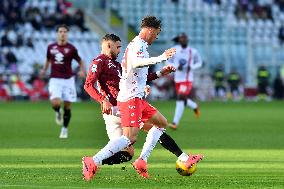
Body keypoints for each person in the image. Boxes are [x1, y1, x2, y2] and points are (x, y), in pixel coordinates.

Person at [82, 16, 203, 181]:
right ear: (151, 30)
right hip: (127, 101)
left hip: (134, 98)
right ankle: (93, 161)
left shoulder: (136, 49)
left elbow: (136, 74)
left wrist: (160, 73)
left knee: (160, 123)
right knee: (128, 139)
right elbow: (137, 63)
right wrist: (161, 58)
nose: (157, 37)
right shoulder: (136, 46)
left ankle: (143, 160)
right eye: (157, 33)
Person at [40, 24, 85, 138]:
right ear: (57, 33)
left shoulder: (72, 49)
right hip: (55, 79)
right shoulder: (51, 47)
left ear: (67, 34)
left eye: (65, 31)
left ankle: (64, 129)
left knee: (67, 106)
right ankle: (57, 111)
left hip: (68, 80)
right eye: (60, 31)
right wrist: (44, 70)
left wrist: (82, 70)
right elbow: (48, 59)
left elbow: (80, 61)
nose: (63, 33)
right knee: (55, 102)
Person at [167, 33, 202, 130]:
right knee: (182, 98)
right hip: (177, 79)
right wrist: (176, 67)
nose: (183, 39)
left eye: (185, 38)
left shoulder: (192, 51)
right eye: (182, 38)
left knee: (180, 97)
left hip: (187, 80)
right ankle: (194, 106)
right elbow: (168, 61)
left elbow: (199, 62)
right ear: (179, 40)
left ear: (187, 40)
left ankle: (175, 123)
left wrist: (192, 67)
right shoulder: (175, 50)